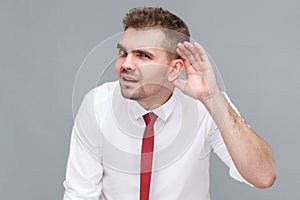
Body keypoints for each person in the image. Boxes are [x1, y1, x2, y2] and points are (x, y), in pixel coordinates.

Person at [63, 7, 276, 200]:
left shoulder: (206, 105)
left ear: (174, 69)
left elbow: (263, 176)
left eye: (143, 55)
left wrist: (213, 100)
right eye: (123, 52)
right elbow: (80, 195)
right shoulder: (97, 104)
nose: (126, 64)